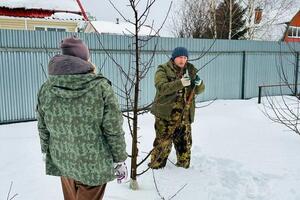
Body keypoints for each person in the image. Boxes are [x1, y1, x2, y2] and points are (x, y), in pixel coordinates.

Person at [36, 36, 128, 200]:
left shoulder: (46, 87)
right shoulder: (100, 87)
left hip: (63, 160)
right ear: (85, 58)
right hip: (93, 165)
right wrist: (120, 159)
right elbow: (113, 128)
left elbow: (42, 125)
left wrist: (46, 150)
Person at [149, 47, 205, 169]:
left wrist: (199, 84)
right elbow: (161, 87)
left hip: (185, 115)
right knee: (163, 143)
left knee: (185, 144)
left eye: (185, 57)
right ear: (174, 58)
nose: (182, 60)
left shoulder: (190, 70)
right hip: (166, 115)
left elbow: (199, 90)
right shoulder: (163, 69)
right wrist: (180, 83)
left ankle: (183, 167)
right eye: (180, 57)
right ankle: (156, 167)